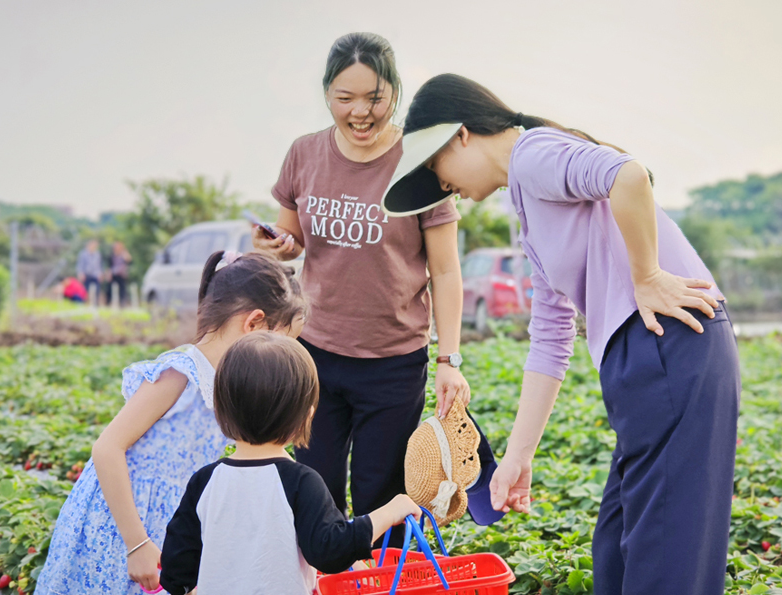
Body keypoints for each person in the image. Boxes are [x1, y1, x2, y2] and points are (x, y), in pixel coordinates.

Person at [382, 74, 740, 595]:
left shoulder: (533, 154)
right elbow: (551, 339)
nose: (442, 185)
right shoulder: (529, 212)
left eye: (435, 167)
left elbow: (628, 174)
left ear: (461, 134)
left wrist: (647, 276)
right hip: (642, 360)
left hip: (670, 341)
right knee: (620, 549)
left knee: (664, 554)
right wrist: (516, 458)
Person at [253, 33, 492, 540]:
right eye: (345, 99)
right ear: (327, 95)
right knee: (311, 492)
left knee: (380, 499)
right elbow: (293, 239)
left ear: (395, 93)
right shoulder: (304, 154)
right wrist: (281, 247)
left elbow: (446, 272)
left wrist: (448, 360)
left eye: (375, 98)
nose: (360, 112)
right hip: (313, 354)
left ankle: (376, 582)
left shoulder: (420, 160)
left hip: (393, 363)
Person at [35, 251, 307, 595]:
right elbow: (107, 448)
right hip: (124, 525)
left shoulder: (230, 385)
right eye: (285, 345)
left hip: (173, 524)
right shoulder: (181, 373)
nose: (286, 361)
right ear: (253, 324)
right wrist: (136, 544)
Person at [160, 332, 422, 595]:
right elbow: (330, 551)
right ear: (307, 416)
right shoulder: (300, 482)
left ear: (220, 407)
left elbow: (176, 570)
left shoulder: (205, 481)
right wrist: (390, 511)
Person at [105, 241, 133, 307]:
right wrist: (108, 274)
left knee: (122, 291)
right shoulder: (111, 255)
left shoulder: (124, 255)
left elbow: (129, 261)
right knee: (109, 290)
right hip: (113, 275)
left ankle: (122, 304)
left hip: (122, 275)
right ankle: (108, 304)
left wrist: (125, 252)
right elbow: (109, 266)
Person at [76, 239, 103, 303]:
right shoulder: (83, 254)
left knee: (97, 290)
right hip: (86, 274)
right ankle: (86, 303)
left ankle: (96, 304)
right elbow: (80, 264)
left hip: (95, 274)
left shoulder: (98, 254)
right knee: (85, 290)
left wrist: (100, 274)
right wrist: (80, 273)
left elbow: (99, 265)